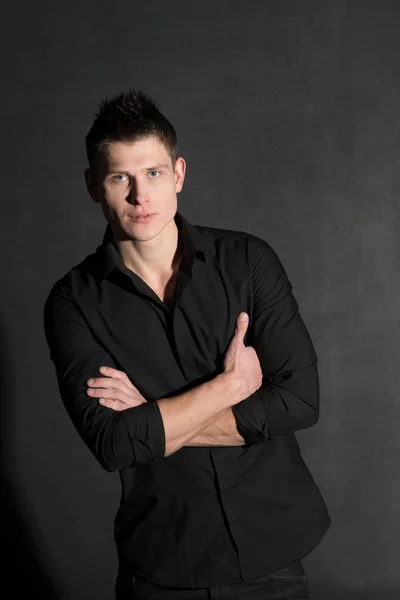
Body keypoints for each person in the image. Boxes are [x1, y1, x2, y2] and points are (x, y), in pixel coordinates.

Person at [43, 89, 331, 600]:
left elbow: (300, 400)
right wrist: (230, 387)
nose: (140, 196)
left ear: (178, 174)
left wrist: (153, 421)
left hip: (274, 557)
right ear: (93, 185)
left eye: (152, 173)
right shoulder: (73, 302)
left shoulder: (248, 261)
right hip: (161, 567)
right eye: (119, 177)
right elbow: (112, 445)